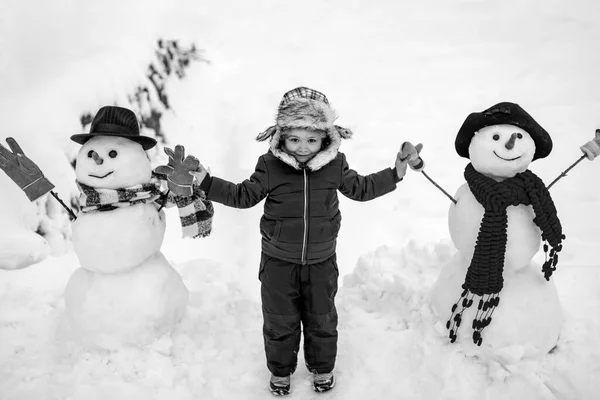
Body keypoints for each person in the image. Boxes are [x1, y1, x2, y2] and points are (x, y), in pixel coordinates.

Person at [187, 87, 422, 395]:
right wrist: (205, 180)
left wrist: (397, 172)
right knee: (279, 320)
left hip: (322, 261)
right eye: (294, 139)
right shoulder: (270, 166)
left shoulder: (335, 165)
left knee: (322, 319)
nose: (302, 147)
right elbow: (242, 196)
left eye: (312, 140)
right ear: (281, 136)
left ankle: (322, 368)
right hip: (277, 262)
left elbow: (361, 189)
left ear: (325, 138)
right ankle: (281, 371)